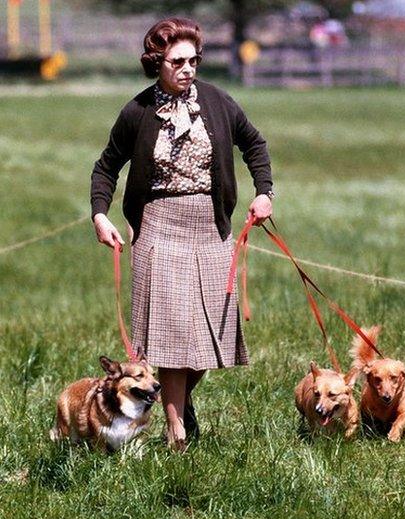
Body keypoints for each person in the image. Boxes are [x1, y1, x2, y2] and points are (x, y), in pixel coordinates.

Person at [91, 17, 274, 450]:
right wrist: (100, 215)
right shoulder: (136, 112)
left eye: (194, 60)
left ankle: (179, 401)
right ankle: (177, 434)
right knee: (173, 337)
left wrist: (265, 192)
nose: (188, 68)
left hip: (211, 227)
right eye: (177, 61)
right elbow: (106, 168)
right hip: (159, 226)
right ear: (157, 62)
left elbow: (255, 145)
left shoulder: (218, 101)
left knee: (210, 339)